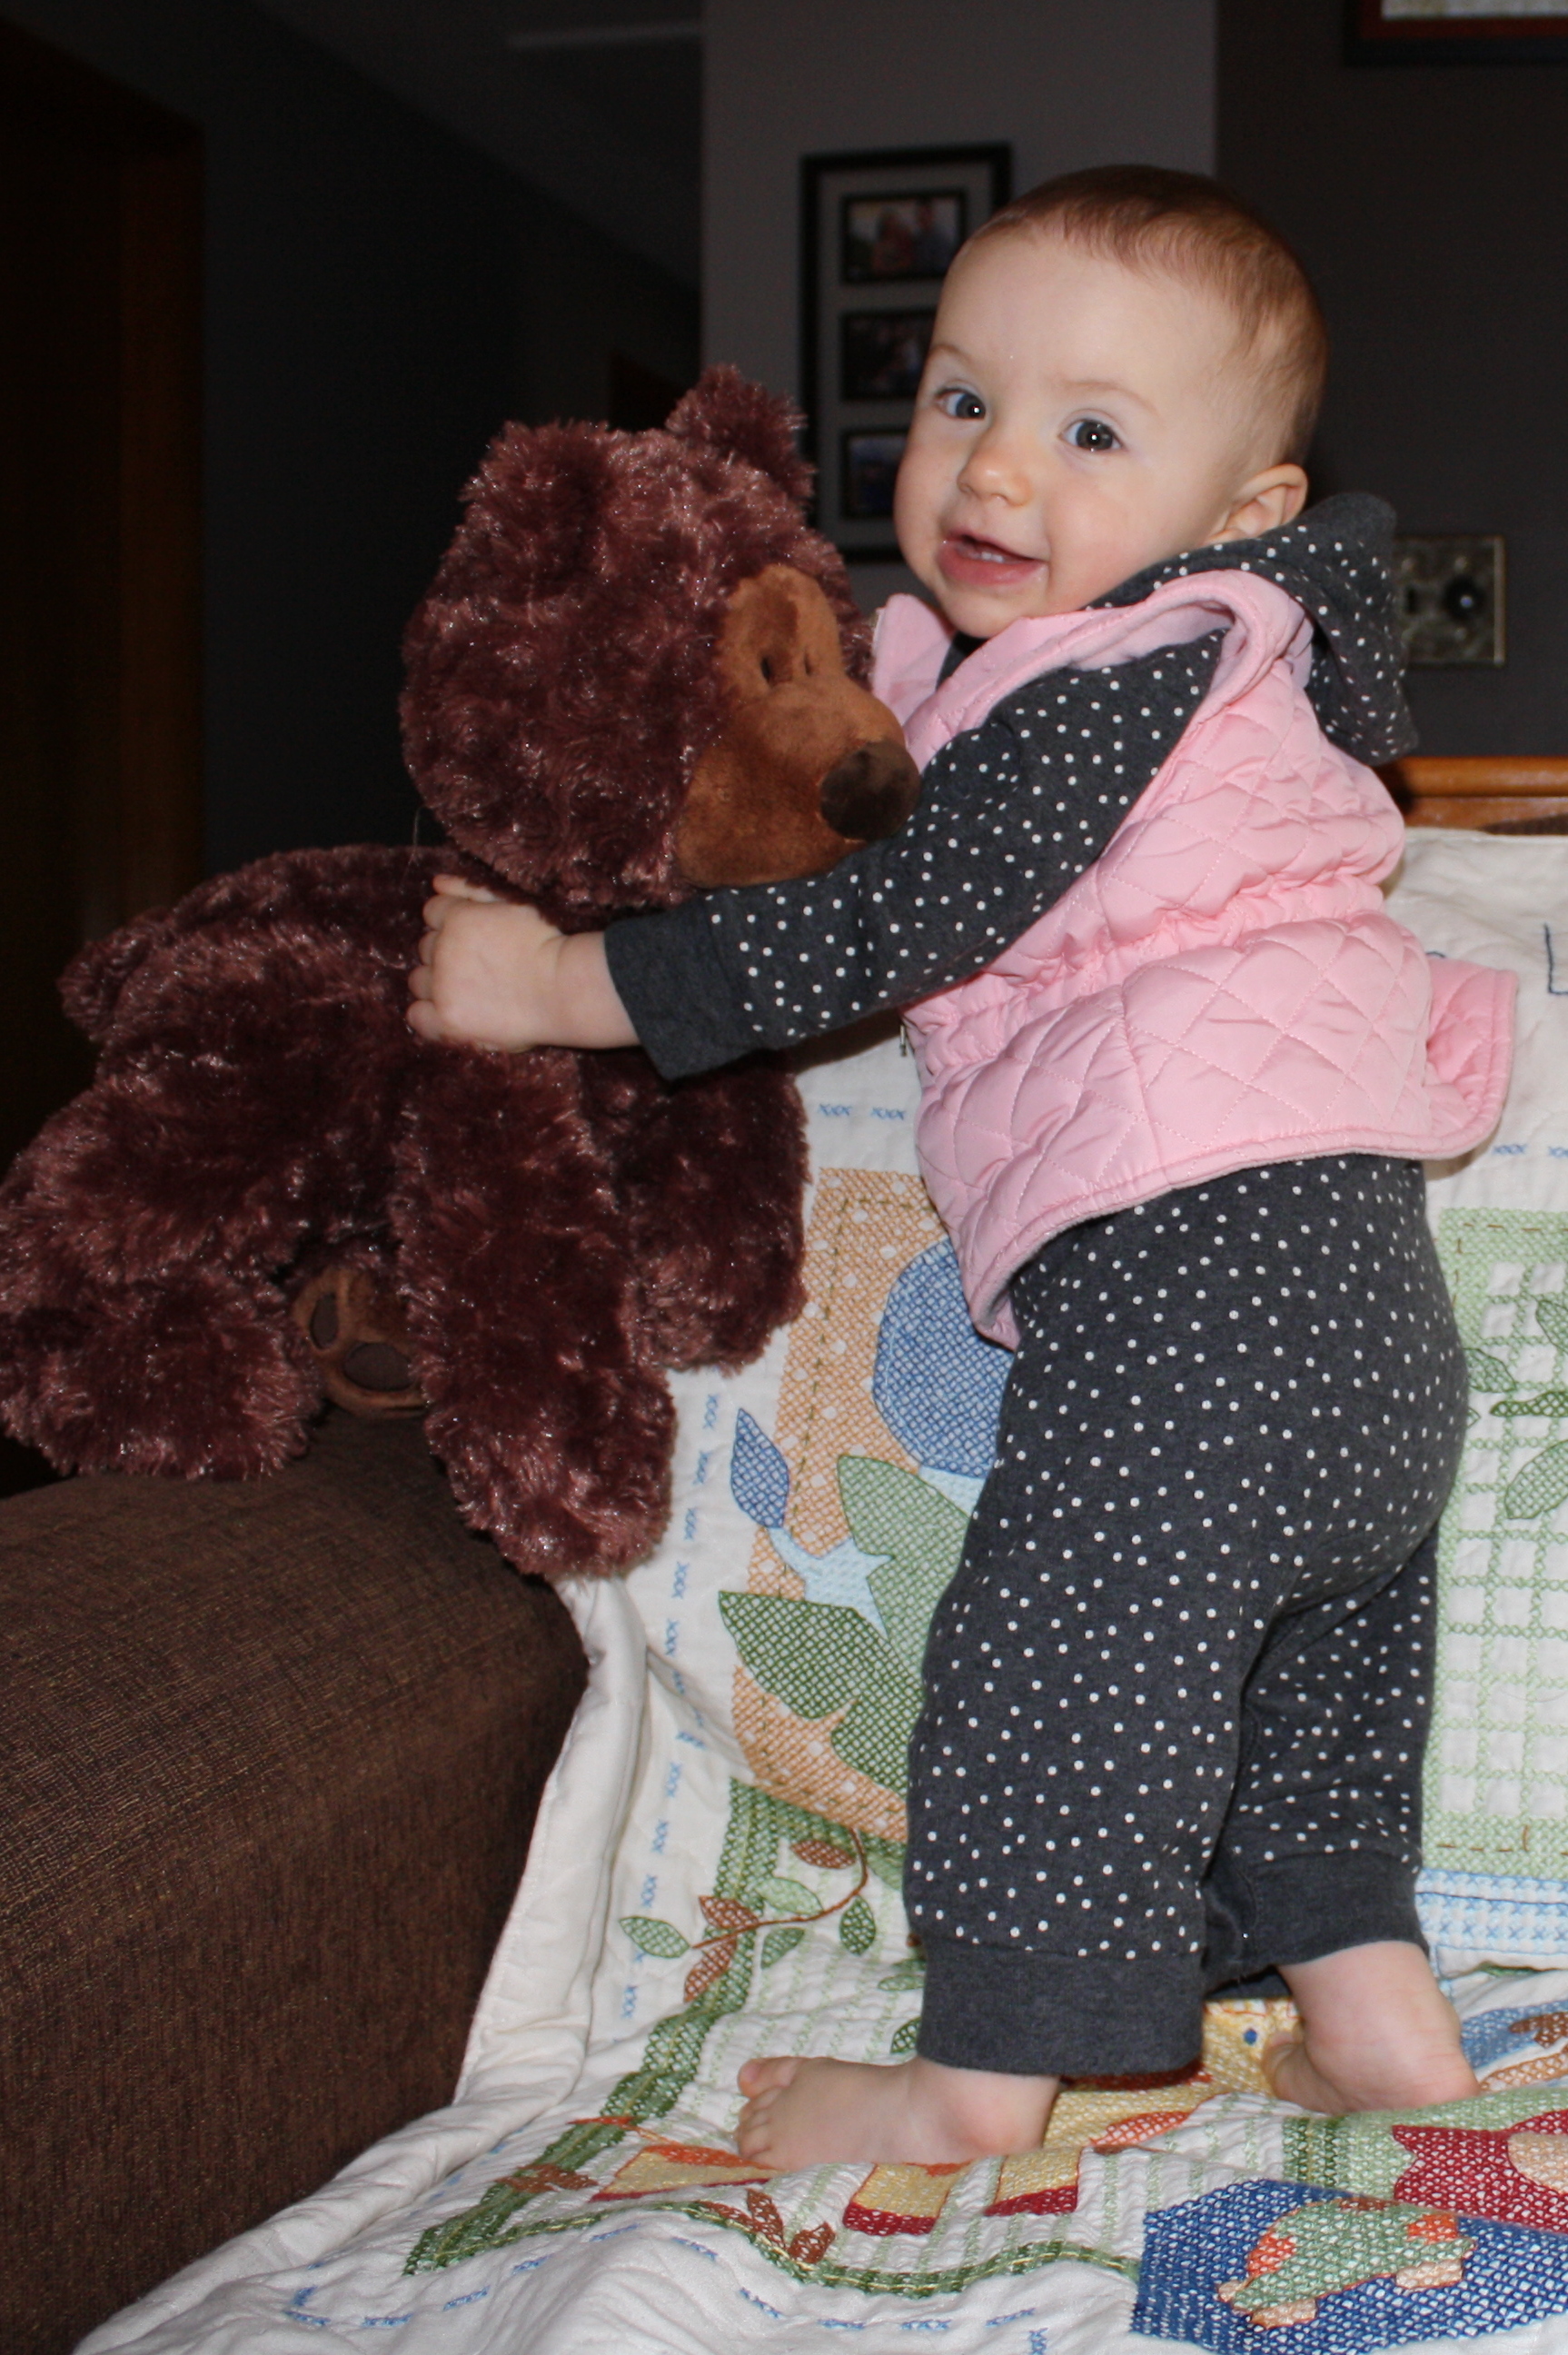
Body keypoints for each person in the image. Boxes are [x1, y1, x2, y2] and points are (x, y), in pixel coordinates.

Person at [407, 167, 1514, 2171]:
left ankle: (975, 2083)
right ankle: (1374, 2021)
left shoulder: (1127, 669)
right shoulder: (1213, 693)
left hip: (1191, 1301)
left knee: (1050, 1682)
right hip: (1361, 1331)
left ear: (1243, 508)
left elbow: (895, 916)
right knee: (1310, 1671)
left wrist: (565, 984)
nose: (997, 465)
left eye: (1091, 430)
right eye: (960, 397)